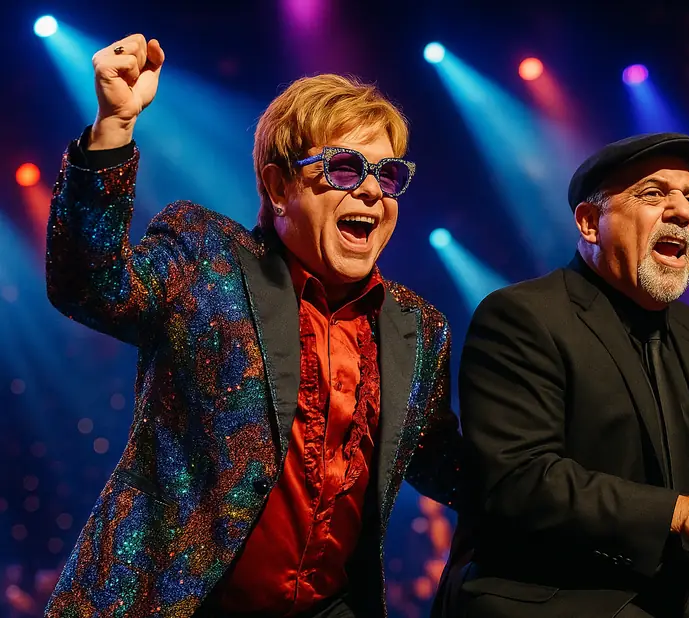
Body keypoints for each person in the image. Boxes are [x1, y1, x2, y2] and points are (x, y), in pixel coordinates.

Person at [44, 34, 463, 618]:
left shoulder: (419, 327)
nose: (371, 189)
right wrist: (114, 126)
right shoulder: (206, 258)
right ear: (277, 187)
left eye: (388, 175)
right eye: (344, 168)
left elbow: (441, 460)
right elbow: (91, 286)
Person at [434, 133, 689, 617]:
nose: (683, 212)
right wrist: (684, 511)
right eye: (653, 194)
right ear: (589, 223)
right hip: (562, 590)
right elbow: (520, 478)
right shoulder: (522, 316)